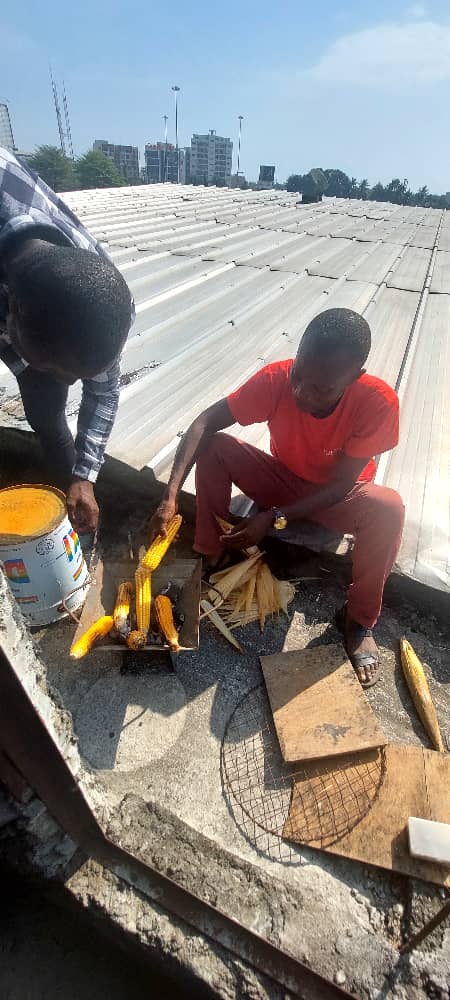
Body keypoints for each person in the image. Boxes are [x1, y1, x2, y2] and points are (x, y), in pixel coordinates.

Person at [148, 307, 405, 688]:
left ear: (355, 376)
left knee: (389, 509)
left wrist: (273, 516)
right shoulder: (276, 380)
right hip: (282, 479)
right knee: (215, 447)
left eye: (321, 389)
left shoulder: (377, 403)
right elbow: (205, 421)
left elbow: (339, 487)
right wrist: (170, 495)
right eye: (299, 374)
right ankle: (212, 553)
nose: (301, 392)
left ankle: (358, 621)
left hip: (336, 497)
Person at [0, 146, 133, 534]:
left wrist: (85, 475)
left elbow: (104, 390)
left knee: (46, 410)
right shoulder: (25, 309)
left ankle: (67, 504)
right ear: (13, 321)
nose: (71, 383)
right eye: (57, 368)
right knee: (44, 404)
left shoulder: (96, 287)